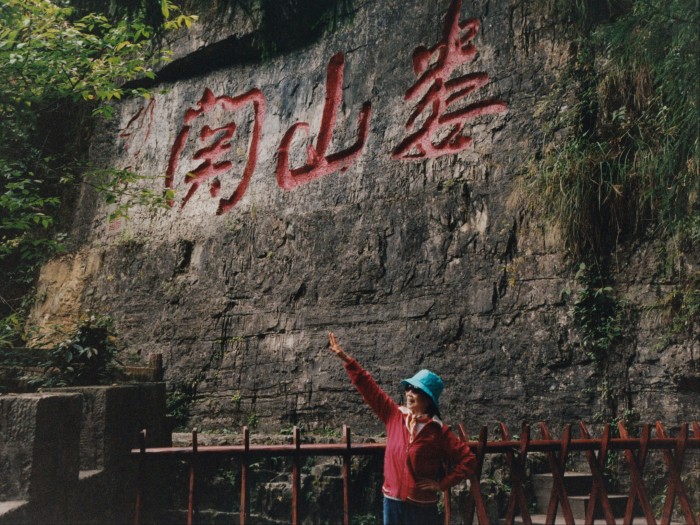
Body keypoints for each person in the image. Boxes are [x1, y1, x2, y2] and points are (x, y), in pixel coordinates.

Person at [328, 332, 476, 525]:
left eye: (416, 390)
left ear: (428, 399)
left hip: (422, 506)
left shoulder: (439, 432)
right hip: (392, 500)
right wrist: (347, 360)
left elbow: (468, 460)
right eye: (408, 388)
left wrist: (442, 485)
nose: (409, 392)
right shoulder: (395, 416)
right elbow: (369, 388)